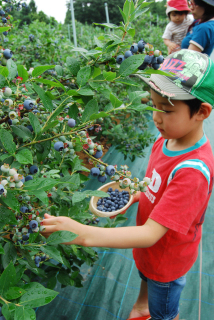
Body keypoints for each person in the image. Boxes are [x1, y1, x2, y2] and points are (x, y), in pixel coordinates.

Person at [41, 49, 214, 320]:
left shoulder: (193, 171)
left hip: (167, 260)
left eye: (166, 110)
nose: (155, 117)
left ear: (201, 112)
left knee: (164, 308)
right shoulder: (165, 139)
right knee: (145, 274)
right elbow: (153, 184)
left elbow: (150, 235)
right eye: (153, 105)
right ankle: (143, 306)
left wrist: (83, 234)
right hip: (149, 252)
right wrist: (134, 193)